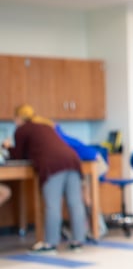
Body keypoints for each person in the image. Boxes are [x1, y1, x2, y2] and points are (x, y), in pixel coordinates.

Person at [2, 104, 88, 252]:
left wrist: (6, 146)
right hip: (72, 159)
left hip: (52, 165)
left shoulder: (21, 130)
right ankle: (78, 241)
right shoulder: (45, 125)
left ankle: (50, 244)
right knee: (75, 203)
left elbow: (18, 155)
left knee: (52, 205)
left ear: (18, 118)